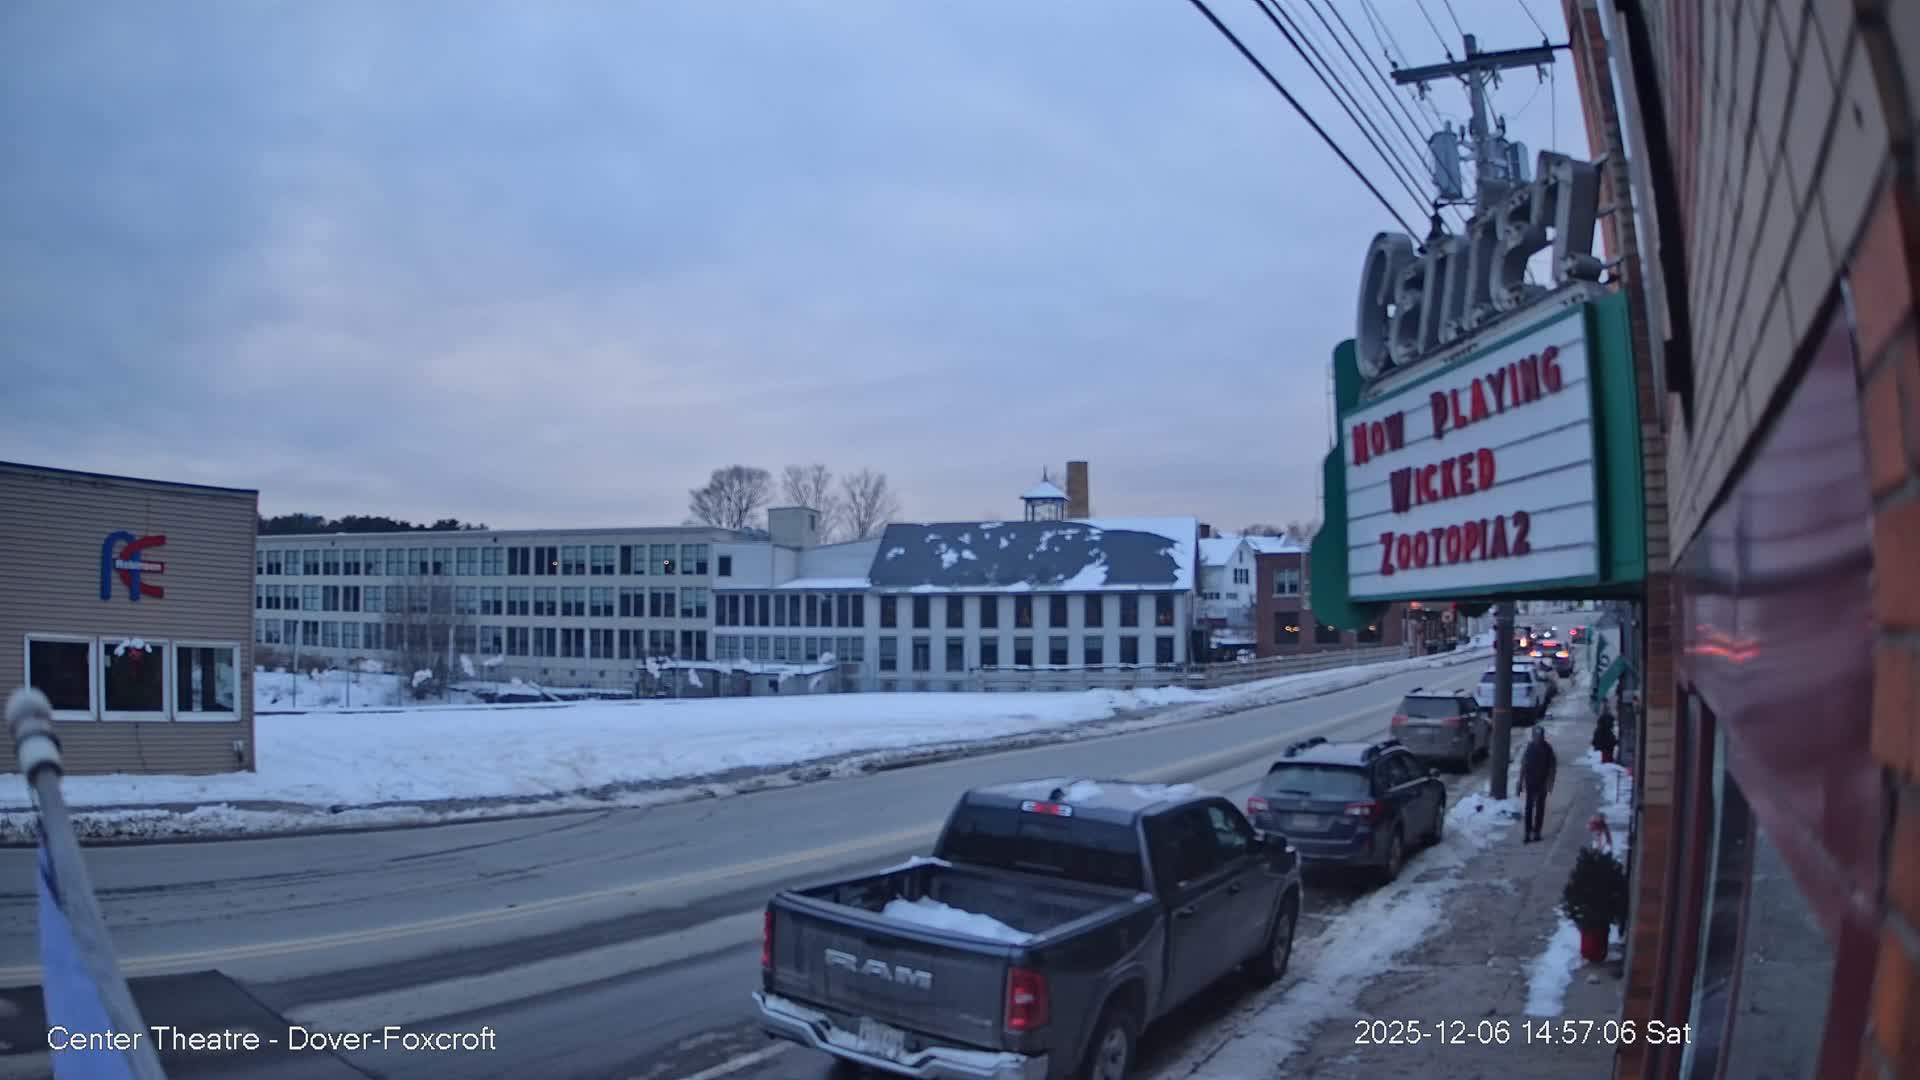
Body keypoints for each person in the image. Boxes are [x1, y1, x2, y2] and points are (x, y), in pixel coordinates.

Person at [1517, 726, 1558, 843]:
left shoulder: (1548, 749)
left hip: (1542, 782)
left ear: (1543, 736)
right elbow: (1523, 765)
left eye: (1540, 736)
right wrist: (1520, 782)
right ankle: (1527, 832)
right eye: (1536, 736)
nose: (1538, 739)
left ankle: (1537, 832)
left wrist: (1550, 783)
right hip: (1530, 781)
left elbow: (1552, 767)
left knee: (1540, 808)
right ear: (1533, 736)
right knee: (1529, 807)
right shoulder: (1529, 748)